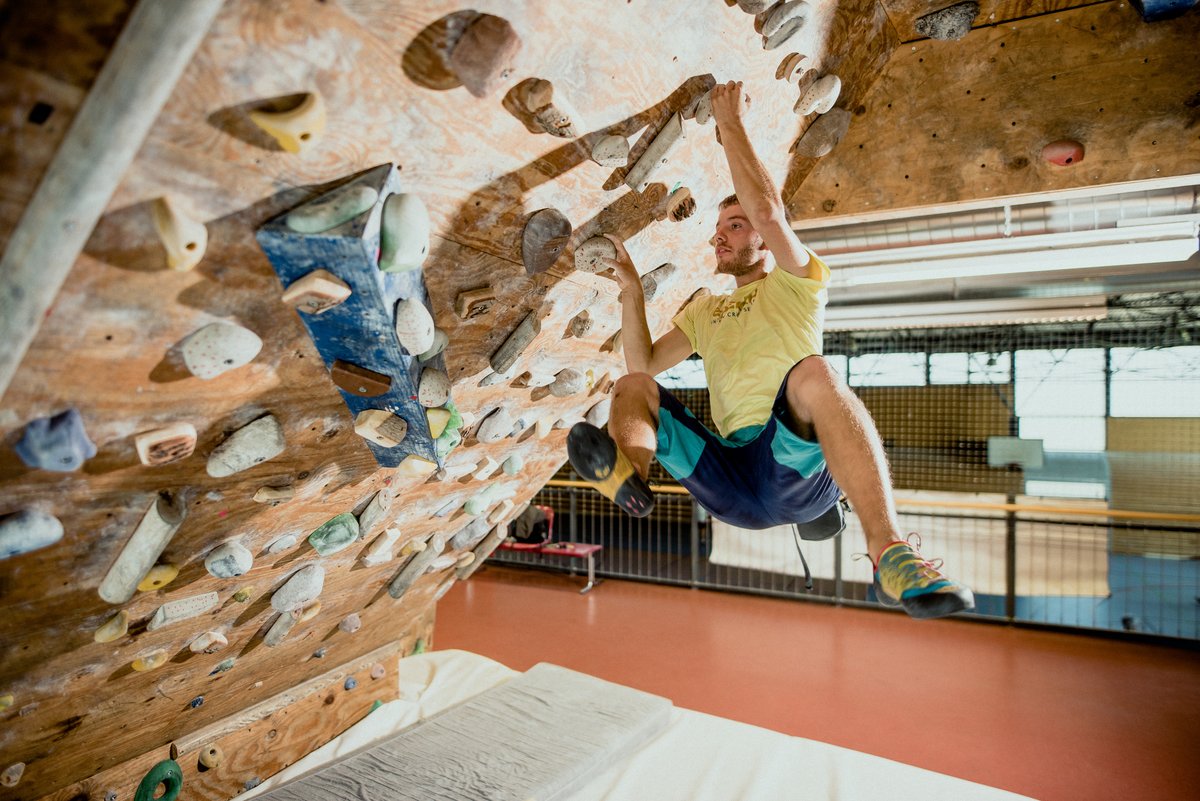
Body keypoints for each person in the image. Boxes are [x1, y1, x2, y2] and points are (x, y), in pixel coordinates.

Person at [567, 81, 974, 620]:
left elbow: (769, 212)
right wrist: (631, 290)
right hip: (731, 482)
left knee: (814, 374)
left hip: (791, 465)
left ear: (761, 240)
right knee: (632, 388)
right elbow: (641, 366)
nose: (721, 237)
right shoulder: (705, 312)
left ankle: (890, 554)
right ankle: (630, 474)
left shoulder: (798, 282)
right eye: (718, 230)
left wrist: (729, 125)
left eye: (734, 226)